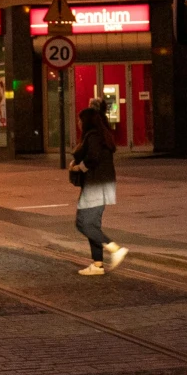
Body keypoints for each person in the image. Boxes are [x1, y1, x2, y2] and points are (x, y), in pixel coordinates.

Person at [69, 105, 126, 276]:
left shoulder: (92, 136)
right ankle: (98, 264)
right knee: (92, 224)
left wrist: (78, 168)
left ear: (86, 121)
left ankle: (114, 249)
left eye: (79, 120)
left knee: (83, 223)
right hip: (103, 185)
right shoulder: (102, 136)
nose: (78, 123)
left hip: (95, 186)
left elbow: (92, 158)